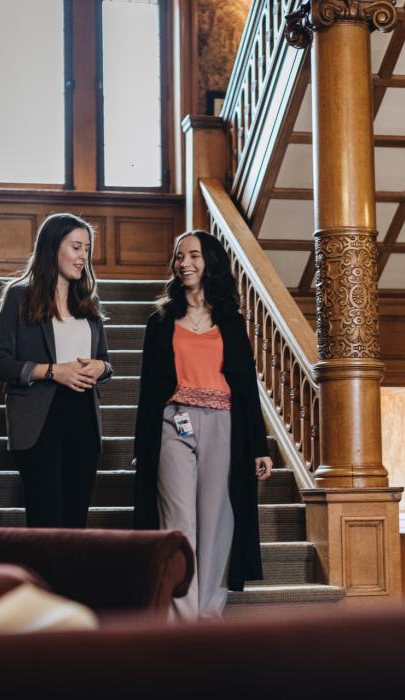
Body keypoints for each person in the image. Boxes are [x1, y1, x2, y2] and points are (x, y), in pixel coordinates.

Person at [133, 230, 273, 620]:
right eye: (179, 257)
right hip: (172, 422)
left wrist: (259, 446)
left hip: (224, 423)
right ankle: (180, 620)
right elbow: (147, 388)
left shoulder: (231, 321)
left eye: (193, 255)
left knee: (217, 521)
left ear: (209, 261)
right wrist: (142, 446)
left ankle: (208, 617)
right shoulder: (160, 321)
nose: (184, 263)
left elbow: (246, 386)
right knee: (178, 522)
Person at [0, 212, 112, 528]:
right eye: (76, 247)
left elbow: (104, 361)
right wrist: (55, 371)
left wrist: (101, 366)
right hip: (40, 421)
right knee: (46, 520)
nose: (83, 256)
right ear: (52, 247)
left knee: (75, 522)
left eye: (87, 248)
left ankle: (73, 580)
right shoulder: (19, 296)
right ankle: (43, 580)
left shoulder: (88, 302)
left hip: (83, 417)